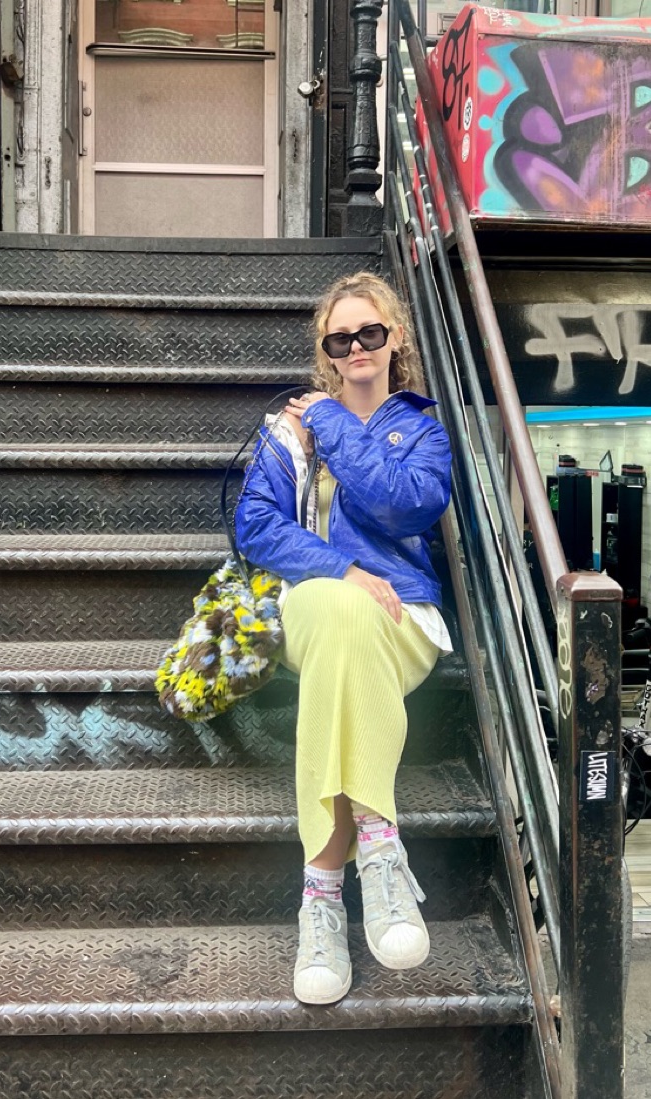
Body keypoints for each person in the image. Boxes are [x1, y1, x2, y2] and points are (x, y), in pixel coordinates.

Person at [234, 272, 453, 1005]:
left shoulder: (421, 430)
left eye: (370, 333)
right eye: (339, 339)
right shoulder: (287, 432)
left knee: (348, 628)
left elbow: (403, 506)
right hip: (310, 606)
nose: (356, 347)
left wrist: (331, 421)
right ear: (325, 350)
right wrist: (342, 570)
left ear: (396, 338)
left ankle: (321, 896)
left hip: (402, 620)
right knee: (336, 607)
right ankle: (380, 849)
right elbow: (256, 525)